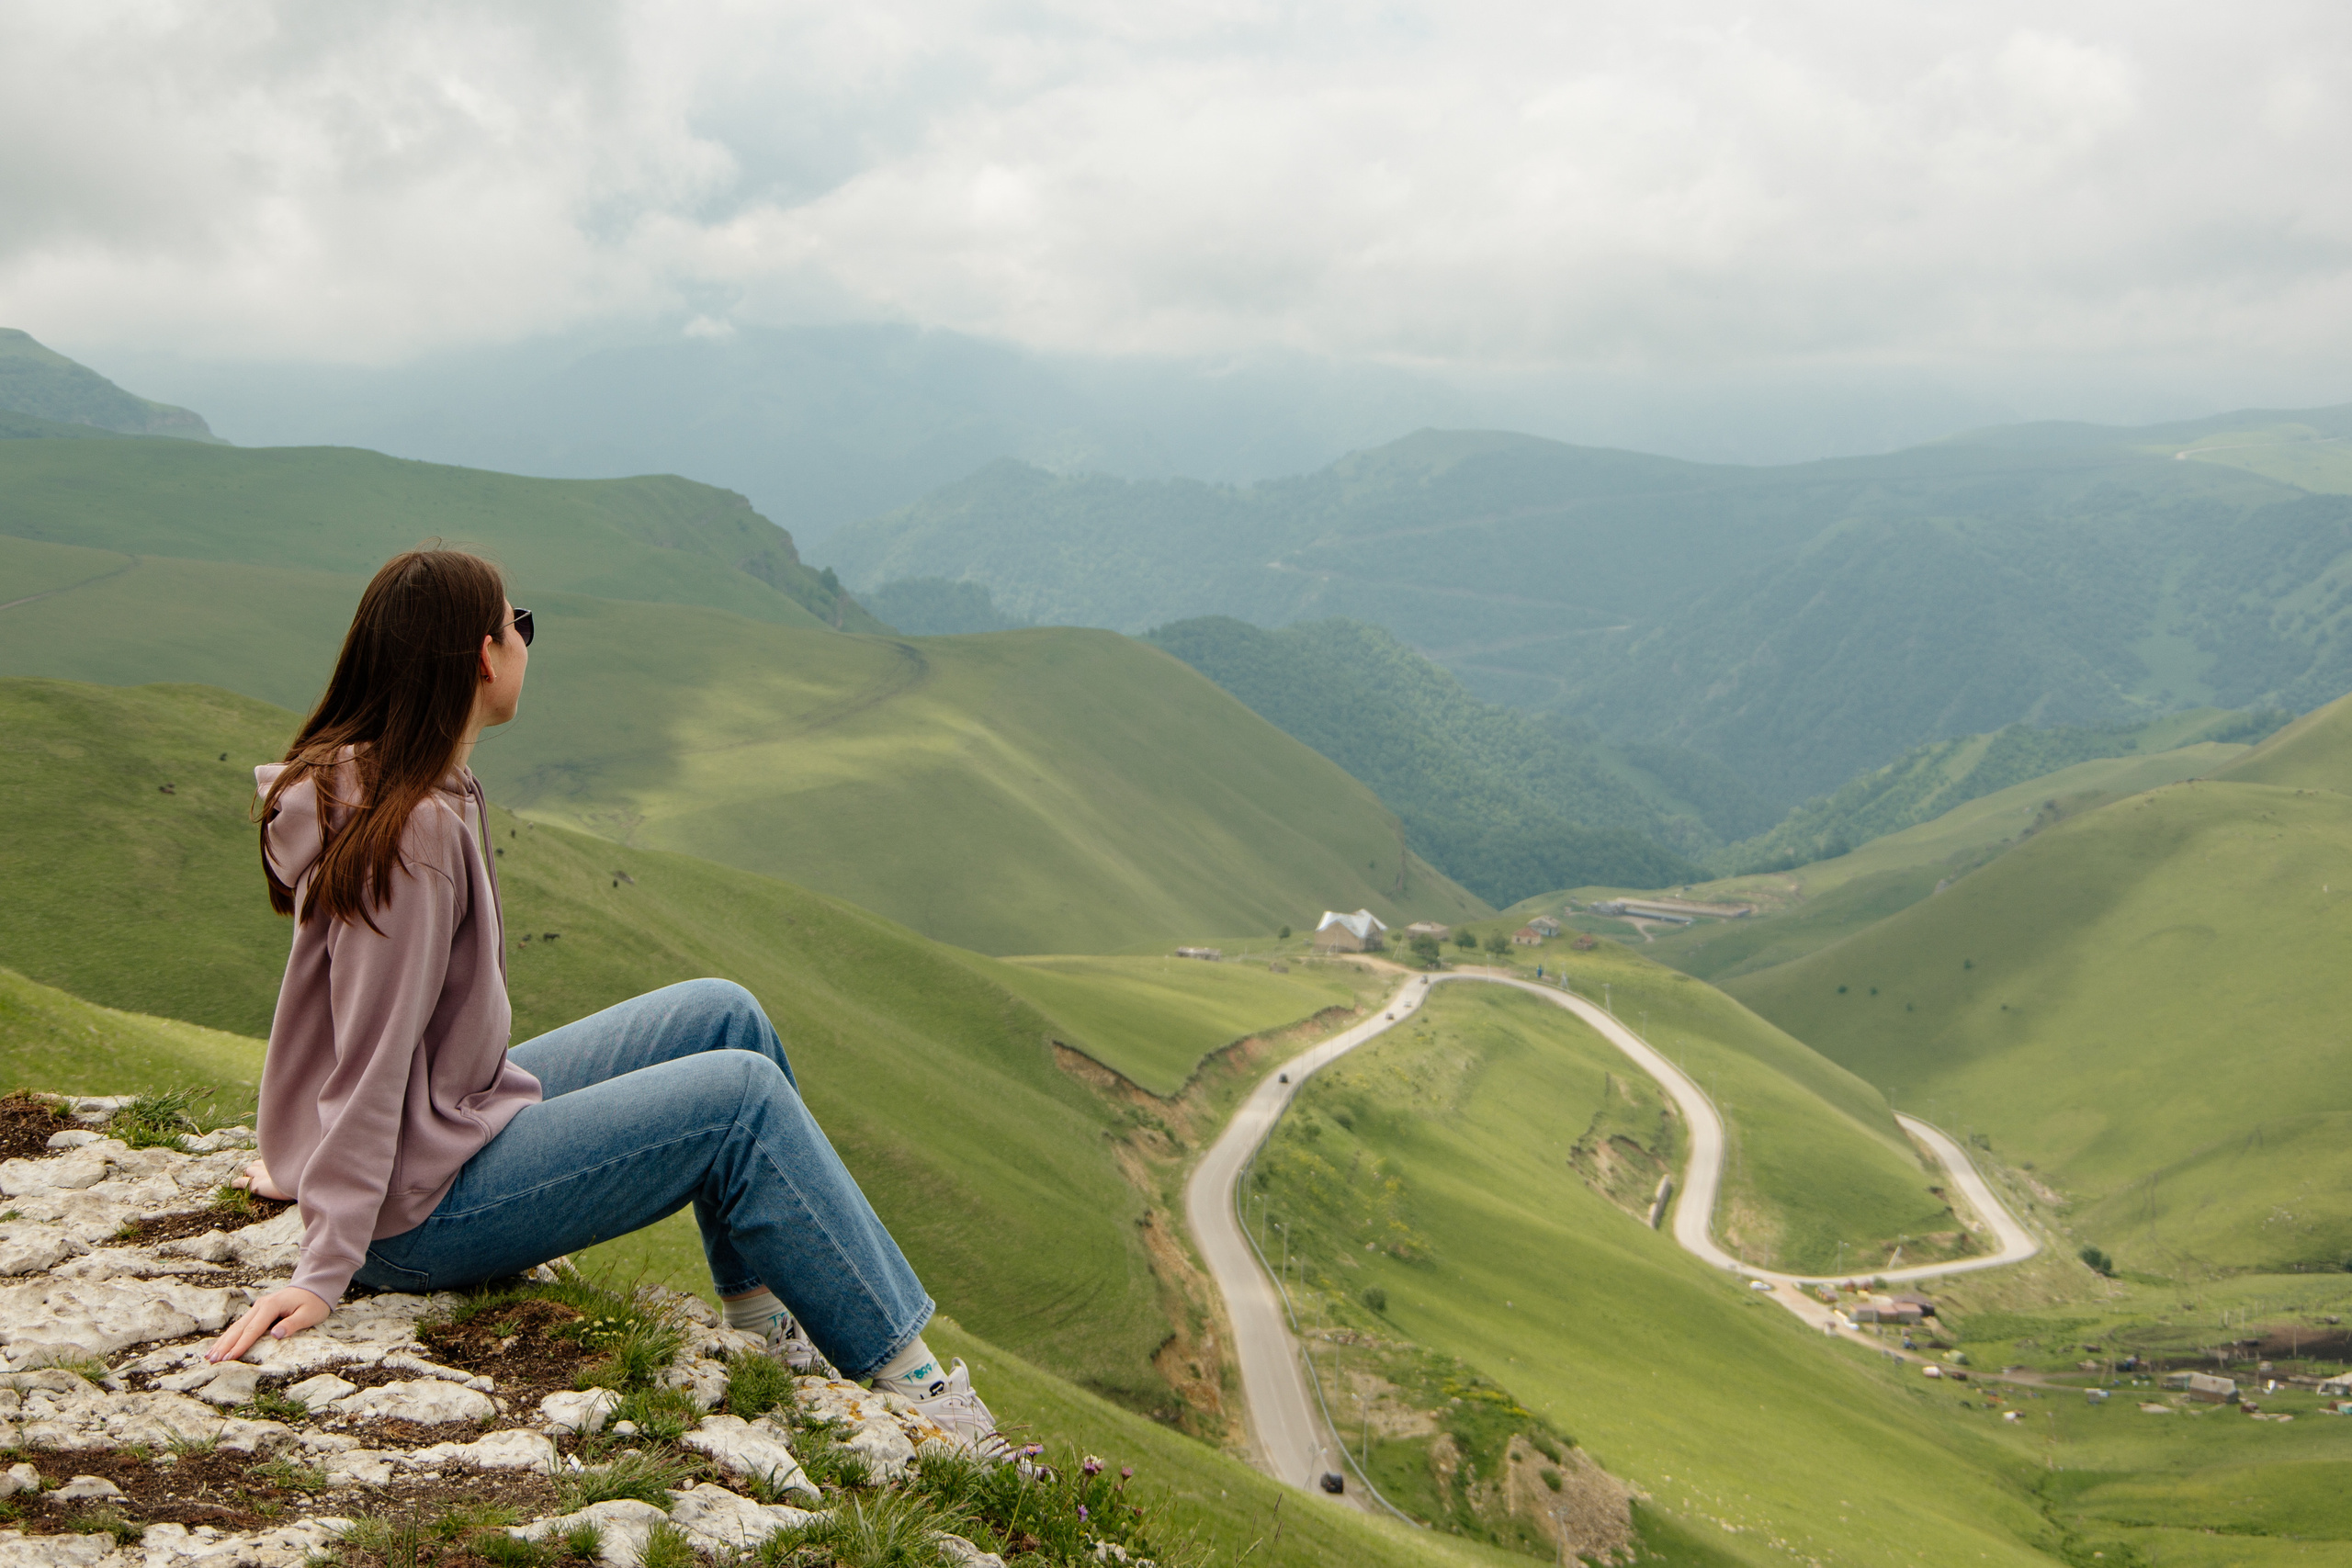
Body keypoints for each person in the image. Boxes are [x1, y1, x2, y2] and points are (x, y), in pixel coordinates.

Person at [204, 547, 1003, 1454]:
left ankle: (765, 1328)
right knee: (740, 1100)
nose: (525, 640)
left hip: (439, 1125)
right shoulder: (414, 834)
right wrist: (325, 1264)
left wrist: (303, 1154)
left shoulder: (384, 781)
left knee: (724, 1011)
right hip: (415, 1216)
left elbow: (339, 1018)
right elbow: (372, 1051)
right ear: (483, 657)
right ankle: (928, 1403)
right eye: (519, 624)